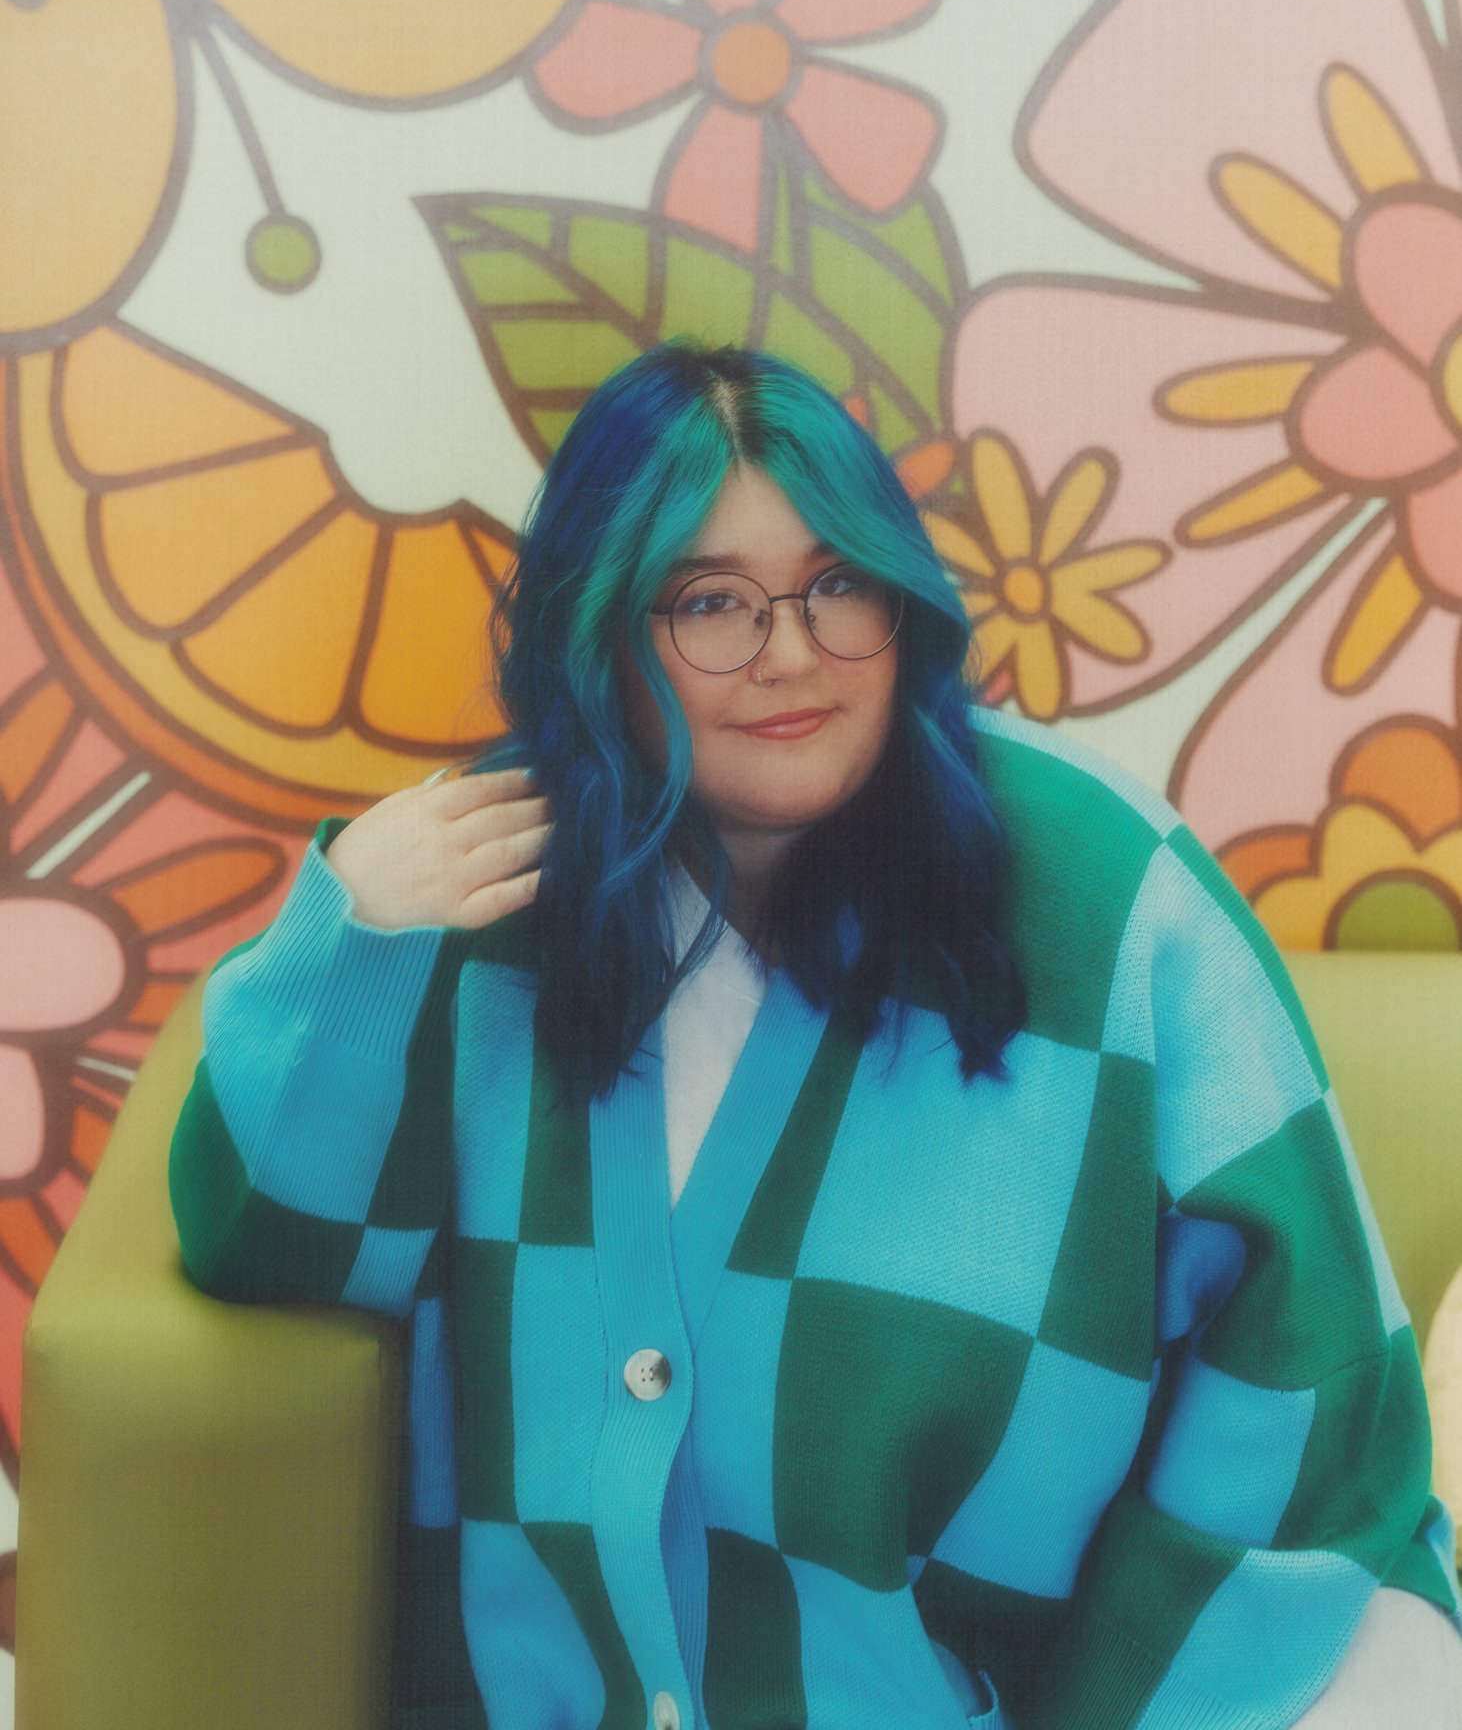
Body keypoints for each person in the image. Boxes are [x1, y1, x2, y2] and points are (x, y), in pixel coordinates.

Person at [169, 342, 1462, 1729]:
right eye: (708, 603)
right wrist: (350, 941)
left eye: (837, 585)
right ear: (594, 632)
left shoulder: (1111, 894)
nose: (789, 653)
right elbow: (263, 1243)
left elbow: (1311, 1397)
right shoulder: (481, 898)